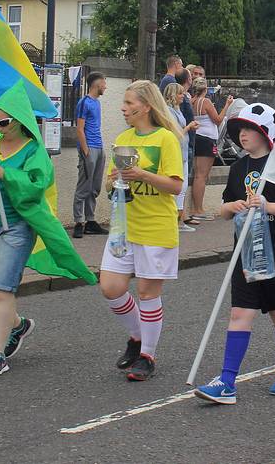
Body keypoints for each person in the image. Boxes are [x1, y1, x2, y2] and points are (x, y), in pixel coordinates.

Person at [0, 82, 96, 377]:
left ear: (19, 120)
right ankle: (17, 326)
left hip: (16, 227)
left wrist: (7, 174)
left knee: (1, 288)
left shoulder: (34, 150)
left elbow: (37, 183)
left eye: (3, 122)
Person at [195, 103, 275, 405]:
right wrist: (232, 208)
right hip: (245, 253)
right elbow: (223, 209)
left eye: (250, 130)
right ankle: (227, 381)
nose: (243, 135)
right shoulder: (237, 168)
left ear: (266, 134)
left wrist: (267, 206)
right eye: (240, 130)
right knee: (238, 313)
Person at [100, 80, 184, 381]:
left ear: (145, 106)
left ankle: (147, 355)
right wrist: (114, 182)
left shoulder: (165, 139)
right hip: (124, 227)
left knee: (147, 292)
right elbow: (112, 184)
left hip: (155, 226)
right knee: (110, 286)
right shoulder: (123, 138)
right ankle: (136, 338)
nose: (123, 108)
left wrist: (142, 175)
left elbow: (176, 185)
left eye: (128, 103)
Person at [190, 77, 233, 221]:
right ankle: (198, 209)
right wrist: (227, 105)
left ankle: (197, 208)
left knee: (198, 174)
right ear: (205, 88)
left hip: (196, 138)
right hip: (207, 139)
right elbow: (218, 120)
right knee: (202, 176)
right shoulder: (206, 102)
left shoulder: (191, 101)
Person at [73, 72, 107, 238]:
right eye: (104, 83)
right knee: (83, 186)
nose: (105, 87)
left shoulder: (97, 103)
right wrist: (85, 150)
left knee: (94, 187)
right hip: (89, 149)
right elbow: (79, 129)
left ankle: (90, 220)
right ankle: (79, 222)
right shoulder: (84, 102)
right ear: (97, 84)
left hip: (99, 147)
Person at [164, 83, 200, 232]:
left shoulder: (177, 110)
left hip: (183, 150)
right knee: (178, 187)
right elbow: (175, 132)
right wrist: (189, 127)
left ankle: (178, 220)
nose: (182, 96)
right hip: (176, 151)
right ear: (172, 94)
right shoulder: (169, 111)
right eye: (180, 94)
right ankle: (174, 221)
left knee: (183, 187)